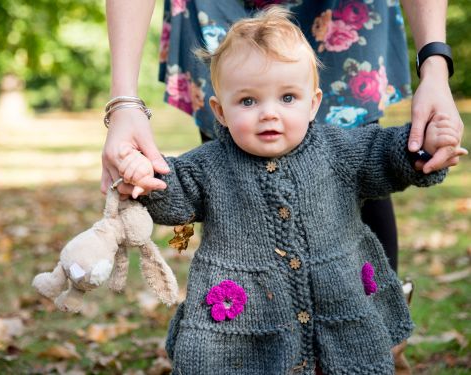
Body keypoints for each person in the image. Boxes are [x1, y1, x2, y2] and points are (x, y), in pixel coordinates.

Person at [114, 8, 464, 374]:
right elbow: (174, 195)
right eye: (248, 101)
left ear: (314, 103)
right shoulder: (208, 164)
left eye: (287, 98)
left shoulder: (339, 149)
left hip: (340, 309)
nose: (269, 113)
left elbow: (387, 154)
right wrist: (145, 178)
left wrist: (424, 149)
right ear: (219, 111)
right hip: (246, 322)